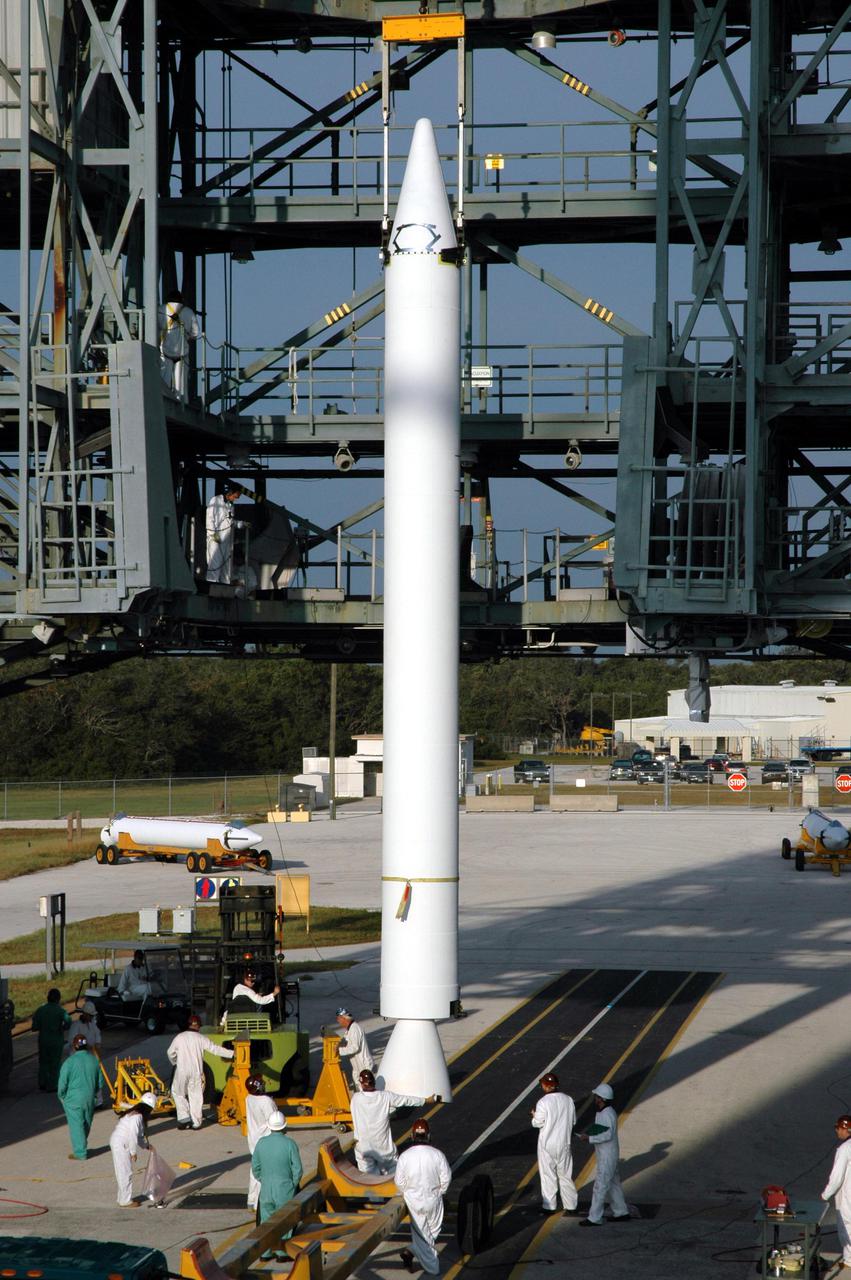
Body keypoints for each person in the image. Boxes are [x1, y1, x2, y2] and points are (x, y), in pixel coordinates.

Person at [394, 1118, 452, 1275]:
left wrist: (408, 1192)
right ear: (428, 1135)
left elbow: (399, 1181)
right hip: (434, 1199)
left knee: (423, 1235)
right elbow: (446, 1177)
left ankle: (410, 1252)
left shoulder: (405, 1156)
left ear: (413, 1136)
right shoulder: (438, 1154)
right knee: (433, 1231)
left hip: (413, 1201)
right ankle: (433, 1269)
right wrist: (440, 1192)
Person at [350, 1069, 433, 1175]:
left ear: (361, 1084)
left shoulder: (355, 1099)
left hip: (364, 1148)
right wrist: (425, 1100)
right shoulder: (385, 1096)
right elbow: (405, 1100)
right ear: (374, 1082)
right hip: (384, 1147)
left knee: (369, 1179)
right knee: (393, 1174)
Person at [167, 1013, 234, 1130]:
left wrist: (175, 1062)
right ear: (198, 1026)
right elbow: (215, 1049)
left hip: (182, 1070)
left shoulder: (179, 1037)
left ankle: (184, 1119)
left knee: (178, 1092)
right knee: (196, 1095)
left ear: (188, 1024)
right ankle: (196, 1123)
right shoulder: (201, 1038)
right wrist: (232, 1053)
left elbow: (170, 1052)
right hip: (196, 1071)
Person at [578, 1082, 630, 1225]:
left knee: (600, 1186)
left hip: (607, 1156)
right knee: (613, 1184)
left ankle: (594, 1218)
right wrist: (589, 1133)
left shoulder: (606, 1114)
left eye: (597, 1096)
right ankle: (621, 1211)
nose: (595, 1098)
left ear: (601, 1098)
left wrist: (589, 1137)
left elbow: (607, 1135)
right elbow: (601, 1129)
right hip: (607, 1154)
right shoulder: (606, 1112)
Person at [531, 1071, 578, 1215]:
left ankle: (549, 1206)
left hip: (547, 1144)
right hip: (564, 1143)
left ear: (545, 1086)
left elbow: (537, 1123)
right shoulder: (568, 1100)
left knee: (548, 1175)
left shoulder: (543, 1102)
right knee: (565, 1174)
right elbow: (574, 1121)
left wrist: (533, 1116)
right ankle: (570, 1206)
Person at [251, 1111, 303, 1225]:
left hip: (266, 1190)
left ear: (269, 1126)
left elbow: (255, 1167)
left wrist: (264, 1180)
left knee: (266, 1225)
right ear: (284, 1126)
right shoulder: (290, 1144)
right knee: (284, 1224)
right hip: (285, 1190)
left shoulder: (261, 1143)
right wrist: (292, 1184)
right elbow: (298, 1170)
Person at [57, 1033, 102, 1160]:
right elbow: (100, 1082)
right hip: (89, 1098)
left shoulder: (69, 1062)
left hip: (73, 1099)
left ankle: (80, 1153)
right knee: (86, 1122)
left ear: (74, 1046)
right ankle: (82, 1144)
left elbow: (62, 1084)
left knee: (76, 1125)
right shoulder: (93, 1060)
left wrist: (62, 1096)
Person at [110, 1091, 156, 1208]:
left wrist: (146, 1146)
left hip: (118, 1141)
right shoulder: (137, 1116)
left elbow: (139, 1136)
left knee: (122, 1171)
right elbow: (132, 1135)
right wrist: (133, 1152)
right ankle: (125, 1201)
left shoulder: (133, 1112)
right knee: (126, 1172)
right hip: (122, 1143)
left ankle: (122, 1198)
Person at [245, 1074, 280, 1212]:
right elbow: (274, 1120)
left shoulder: (248, 1099)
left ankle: (251, 1200)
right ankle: (258, 1204)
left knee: (255, 1169)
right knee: (265, 1173)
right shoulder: (266, 1101)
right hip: (266, 1140)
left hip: (254, 1139)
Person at [821, 1113, 851, 1270]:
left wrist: (825, 1194)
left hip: (848, 1196)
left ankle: (849, 1261)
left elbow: (836, 1177)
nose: (837, 1131)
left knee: (846, 1227)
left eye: (838, 1128)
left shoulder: (844, 1149)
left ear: (845, 1129)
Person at [158, 288, 200, 401]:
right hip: (182, 352)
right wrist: (186, 336)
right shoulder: (188, 312)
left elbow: (154, 328)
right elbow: (196, 334)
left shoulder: (161, 309)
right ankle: (182, 404)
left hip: (165, 351)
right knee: (181, 384)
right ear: (181, 300)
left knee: (164, 380)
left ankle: (164, 400)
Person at [31, 988, 71, 1091]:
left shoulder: (40, 1010)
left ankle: (42, 1083)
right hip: (56, 1040)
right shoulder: (61, 1011)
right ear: (58, 999)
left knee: (43, 1062)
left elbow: (34, 1027)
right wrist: (62, 1028)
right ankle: (52, 1085)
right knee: (55, 1063)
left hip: (43, 1041)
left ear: (48, 998)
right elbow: (68, 1022)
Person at [206, 482, 243, 585]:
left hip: (227, 540)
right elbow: (209, 519)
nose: (235, 499)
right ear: (231, 492)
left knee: (226, 568)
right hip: (216, 540)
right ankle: (212, 587)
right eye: (235, 496)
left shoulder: (230, 505)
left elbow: (230, 522)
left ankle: (225, 588)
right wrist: (213, 534)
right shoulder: (216, 501)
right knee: (215, 565)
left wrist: (241, 524)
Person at [335, 1008, 374, 1090]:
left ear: (343, 1018)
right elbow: (346, 1041)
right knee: (359, 1086)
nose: (338, 1021)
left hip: (363, 1064)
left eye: (338, 1019)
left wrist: (339, 1050)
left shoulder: (355, 1029)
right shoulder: (350, 1029)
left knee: (365, 1090)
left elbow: (354, 1047)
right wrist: (339, 1044)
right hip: (357, 1065)